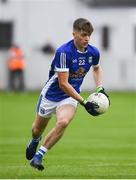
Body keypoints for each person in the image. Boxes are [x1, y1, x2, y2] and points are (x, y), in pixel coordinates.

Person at [26, 18, 110, 171]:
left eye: (89, 35)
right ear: (74, 34)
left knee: (63, 122)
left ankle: (39, 156)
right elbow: (63, 84)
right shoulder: (64, 52)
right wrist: (84, 102)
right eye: (83, 35)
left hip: (70, 97)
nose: (86, 39)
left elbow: (97, 68)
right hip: (51, 95)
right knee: (36, 129)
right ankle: (35, 139)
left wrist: (100, 88)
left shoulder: (93, 52)